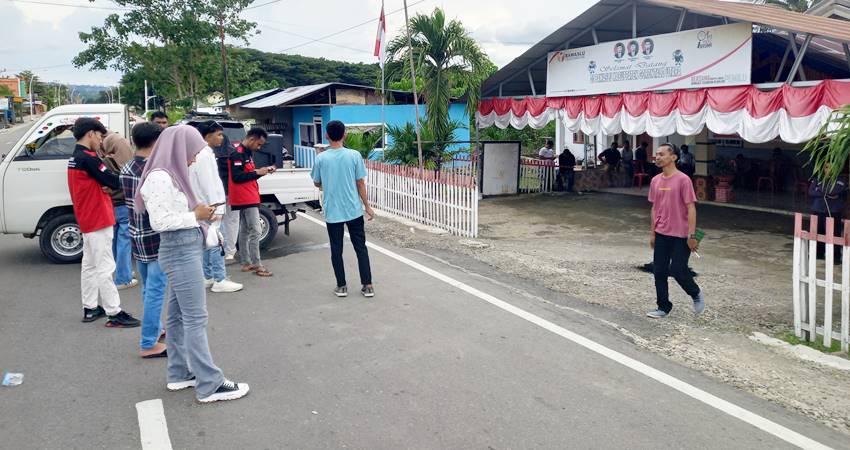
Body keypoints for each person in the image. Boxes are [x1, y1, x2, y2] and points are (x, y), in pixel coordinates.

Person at [137, 125, 249, 403]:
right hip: (179, 249)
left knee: (178, 317)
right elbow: (160, 221)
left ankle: (179, 373)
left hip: (183, 247)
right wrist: (195, 215)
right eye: (193, 152)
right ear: (178, 148)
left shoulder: (169, 173)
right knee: (195, 318)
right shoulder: (160, 177)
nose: (194, 158)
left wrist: (197, 215)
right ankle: (210, 383)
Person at [67, 117, 140, 327]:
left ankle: (90, 307)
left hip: (87, 217)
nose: (101, 141)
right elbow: (113, 180)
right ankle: (114, 312)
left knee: (90, 265)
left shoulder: (75, 158)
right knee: (105, 266)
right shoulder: (89, 159)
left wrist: (106, 185)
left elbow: (102, 182)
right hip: (98, 217)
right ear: (90, 134)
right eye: (99, 136)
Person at [311, 120, 375, 298]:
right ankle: (368, 285)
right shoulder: (354, 155)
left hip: (333, 211)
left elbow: (317, 182)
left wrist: (327, 183)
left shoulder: (321, 158)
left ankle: (341, 286)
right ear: (344, 135)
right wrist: (367, 206)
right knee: (360, 247)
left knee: (336, 249)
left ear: (327, 136)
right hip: (353, 209)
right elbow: (360, 183)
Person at [120, 122, 167, 358]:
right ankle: (148, 342)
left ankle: (155, 328)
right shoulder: (151, 171)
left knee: (149, 288)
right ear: (156, 142)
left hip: (137, 233)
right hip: (154, 235)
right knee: (156, 290)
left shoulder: (128, 166)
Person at [647, 143, 705, 318]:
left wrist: (692, 235)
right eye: (657, 154)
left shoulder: (683, 180)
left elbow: (691, 208)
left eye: (662, 154)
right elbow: (654, 208)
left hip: (681, 235)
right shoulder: (655, 181)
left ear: (673, 157)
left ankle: (695, 293)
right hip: (661, 233)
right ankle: (663, 307)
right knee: (659, 271)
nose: (658, 157)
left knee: (678, 270)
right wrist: (653, 233)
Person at [193, 121, 243, 292]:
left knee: (208, 242)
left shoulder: (201, 153)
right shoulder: (205, 155)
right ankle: (219, 279)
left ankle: (208, 276)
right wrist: (219, 208)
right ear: (208, 136)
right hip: (211, 206)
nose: (222, 138)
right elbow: (210, 184)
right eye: (219, 134)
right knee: (217, 242)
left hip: (205, 205)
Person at [229, 127, 274, 277]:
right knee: (256, 231)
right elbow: (237, 177)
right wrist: (257, 172)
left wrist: (261, 172)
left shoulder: (247, 153)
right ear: (251, 139)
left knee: (245, 230)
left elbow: (248, 174)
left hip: (248, 196)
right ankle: (257, 264)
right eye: (258, 144)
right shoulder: (237, 154)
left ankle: (246, 262)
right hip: (245, 197)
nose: (259, 148)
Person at [100, 133, 138, 290]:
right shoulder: (126, 160)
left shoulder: (103, 159)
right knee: (124, 242)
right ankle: (123, 278)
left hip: (112, 205)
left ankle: (120, 271)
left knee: (115, 241)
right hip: (123, 203)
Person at [809, 164, 848, 260]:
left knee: (834, 233)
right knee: (818, 233)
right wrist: (825, 193)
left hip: (833, 210)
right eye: (826, 167)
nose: (828, 169)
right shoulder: (818, 178)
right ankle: (819, 254)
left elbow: (833, 190)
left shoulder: (840, 179)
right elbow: (811, 191)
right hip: (819, 209)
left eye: (831, 167)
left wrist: (819, 189)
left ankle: (836, 257)